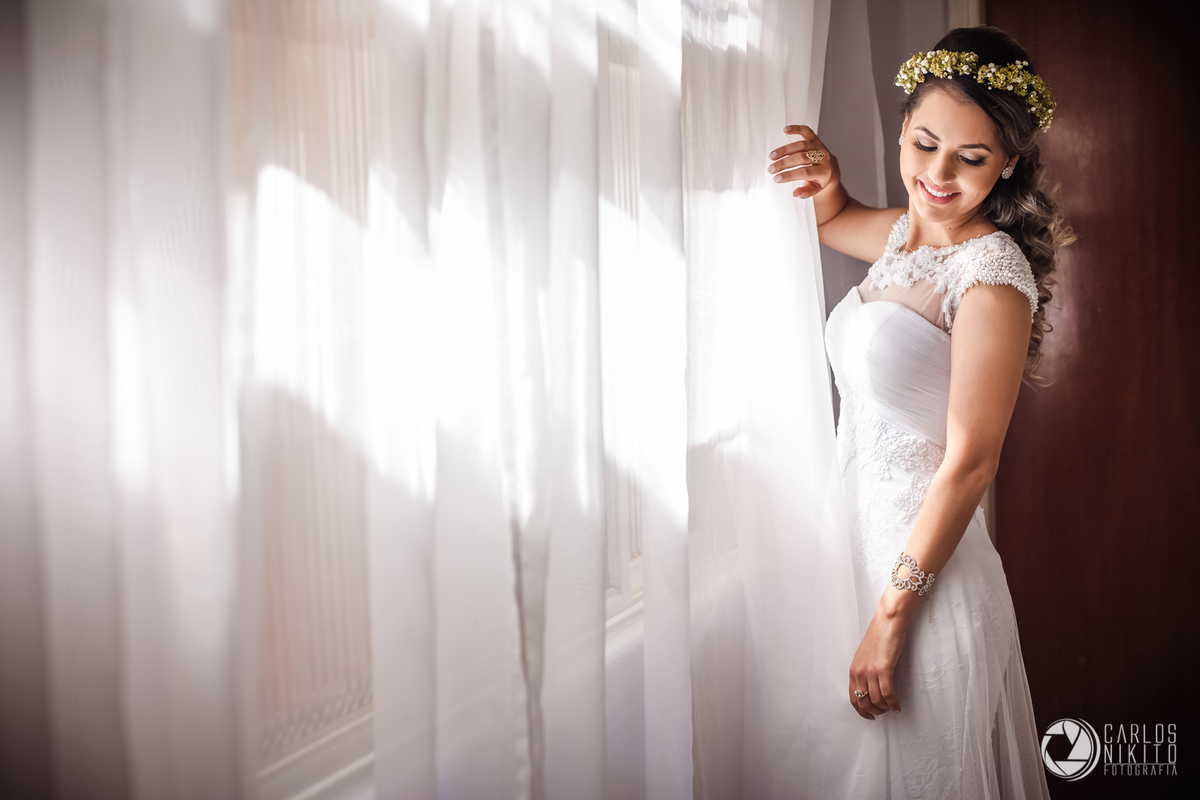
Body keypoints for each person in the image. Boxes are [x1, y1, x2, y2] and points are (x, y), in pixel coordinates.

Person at [767, 26, 1073, 798]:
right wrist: (830, 180)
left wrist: (894, 614)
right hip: (856, 557)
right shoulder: (905, 236)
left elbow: (972, 461)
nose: (938, 174)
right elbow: (833, 222)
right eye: (926, 143)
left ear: (1006, 163)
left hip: (924, 586)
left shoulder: (992, 275)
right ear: (903, 127)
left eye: (971, 158)